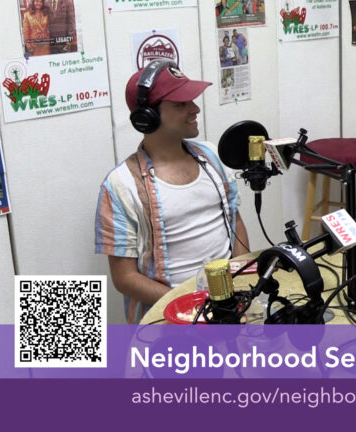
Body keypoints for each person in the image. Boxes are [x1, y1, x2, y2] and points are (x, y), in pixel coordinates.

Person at [95, 62, 249, 323]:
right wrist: (192, 306)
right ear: (147, 116)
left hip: (229, 306)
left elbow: (234, 219)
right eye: (181, 104)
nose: (195, 109)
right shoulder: (120, 185)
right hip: (169, 314)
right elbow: (124, 278)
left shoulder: (211, 156)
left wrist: (242, 277)